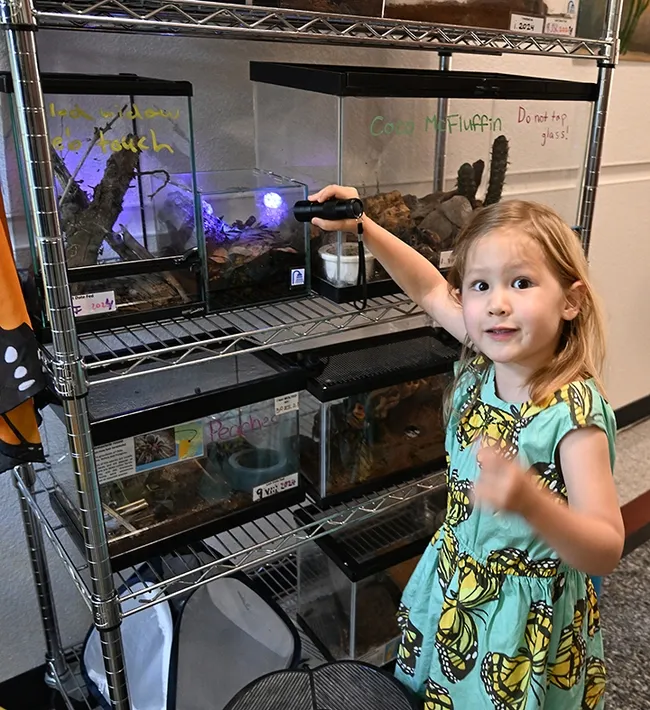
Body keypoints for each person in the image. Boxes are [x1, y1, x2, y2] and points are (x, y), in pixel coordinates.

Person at [307, 185, 624, 710]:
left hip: (519, 630)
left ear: (571, 300)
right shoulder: (483, 355)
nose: (497, 303)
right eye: (479, 285)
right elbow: (430, 288)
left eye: (521, 282)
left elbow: (607, 548)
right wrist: (362, 225)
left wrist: (531, 502)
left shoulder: (573, 416)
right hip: (456, 588)